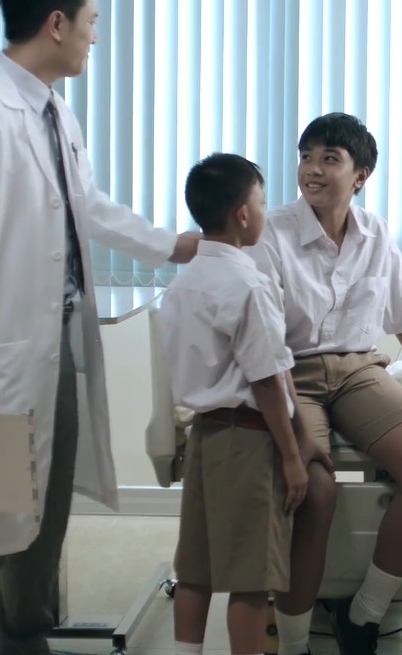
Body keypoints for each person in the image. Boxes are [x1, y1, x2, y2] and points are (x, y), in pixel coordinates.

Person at [0, 0, 200, 655]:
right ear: (57, 23)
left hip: (53, 347)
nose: (96, 36)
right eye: (92, 21)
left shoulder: (52, 112)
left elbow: (86, 206)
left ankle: (28, 635)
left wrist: (169, 245)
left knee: (44, 507)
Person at [250, 112, 402, 655]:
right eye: (306, 156)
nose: (312, 169)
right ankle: (294, 643)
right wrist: (291, 419)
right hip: (291, 374)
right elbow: (262, 343)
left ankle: (364, 613)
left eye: (329, 159)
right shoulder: (270, 233)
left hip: (359, 370)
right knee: (314, 491)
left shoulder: (375, 234)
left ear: (360, 175)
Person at [159, 153, 335, 655]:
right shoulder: (248, 284)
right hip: (248, 442)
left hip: (204, 435)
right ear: (241, 214)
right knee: (253, 581)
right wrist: (292, 456)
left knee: (195, 569)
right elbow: (266, 381)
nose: (264, 210)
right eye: (260, 201)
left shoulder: (182, 283)